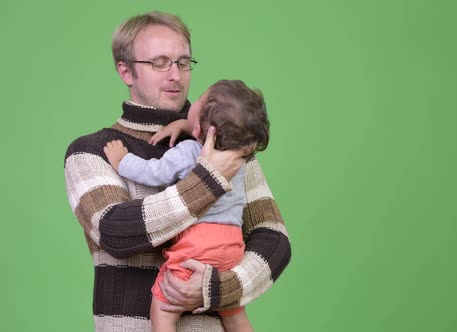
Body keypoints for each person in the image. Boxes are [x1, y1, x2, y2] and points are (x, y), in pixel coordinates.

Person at [64, 11, 291, 331]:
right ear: (125, 70)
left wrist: (218, 289)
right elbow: (114, 231)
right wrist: (207, 181)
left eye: (183, 62)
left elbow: (274, 239)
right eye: (159, 62)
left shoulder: (231, 144)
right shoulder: (92, 151)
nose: (175, 75)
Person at [104, 79, 269, 332]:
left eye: (200, 100)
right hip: (233, 245)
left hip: (196, 244)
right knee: (235, 315)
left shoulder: (189, 150)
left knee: (163, 309)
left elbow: (154, 172)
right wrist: (185, 124)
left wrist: (122, 161)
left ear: (201, 129)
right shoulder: (240, 157)